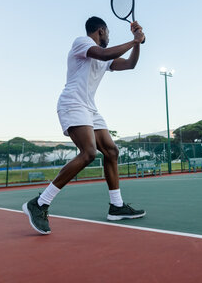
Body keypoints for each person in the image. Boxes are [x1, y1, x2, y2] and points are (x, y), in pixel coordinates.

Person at [22, 16, 146, 235]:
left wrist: (137, 43)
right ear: (101, 31)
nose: (108, 37)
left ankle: (116, 206)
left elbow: (130, 64)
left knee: (111, 151)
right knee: (88, 152)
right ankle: (40, 203)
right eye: (107, 33)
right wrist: (135, 40)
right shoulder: (83, 42)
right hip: (72, 103)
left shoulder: (104, 57)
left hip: (89, 108)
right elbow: (105, 53)